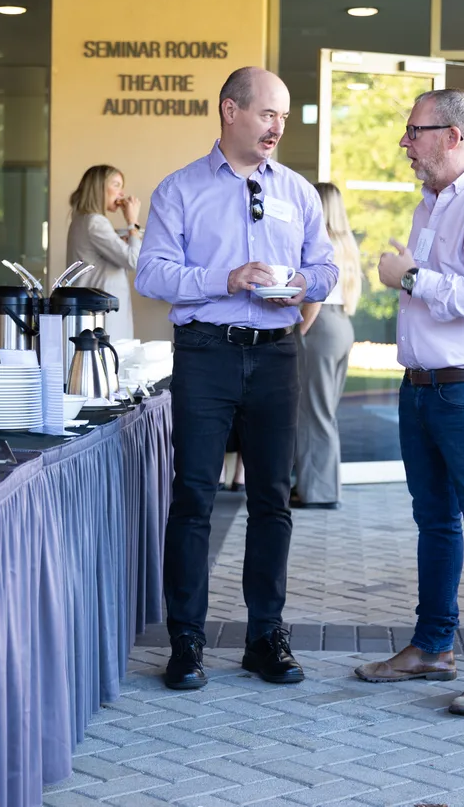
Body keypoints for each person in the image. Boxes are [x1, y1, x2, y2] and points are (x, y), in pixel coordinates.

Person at [135, 66, 337, 691]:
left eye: (284, 115)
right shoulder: (180, 189)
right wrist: (226, 277)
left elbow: (325, 268)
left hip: (278, 353)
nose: (278, 126)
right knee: (194, 496)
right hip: (207, 352)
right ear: (230, 111)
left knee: (271, 500)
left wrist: (302, 285)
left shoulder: (299, 192)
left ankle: (263, 637)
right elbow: (153, 274)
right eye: (267, 113)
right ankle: (186, 641)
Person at [353, 88, 464, 718]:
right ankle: (432, 647)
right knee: (434, 522)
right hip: (425, 387)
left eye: (415, 131)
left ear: (453, 135)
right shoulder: (429, 205)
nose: (405, 142)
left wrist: (407, 276)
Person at [291, 182, 361, 509]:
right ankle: (321, 486)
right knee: (325, 412)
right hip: (342, 325)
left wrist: (299, 333)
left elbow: (315, 297)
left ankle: (316, 491)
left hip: (319, 327)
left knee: (312, 413)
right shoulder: (347, 243)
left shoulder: (323, 242)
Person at [65, 164, 143, 337]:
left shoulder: (81, 220)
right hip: (102, 315)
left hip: (91, 311)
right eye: (116, 185)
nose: (121, 193)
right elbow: (134, 260)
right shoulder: (96, 222)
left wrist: (121, 239)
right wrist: (132, 222)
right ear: (99, 188)